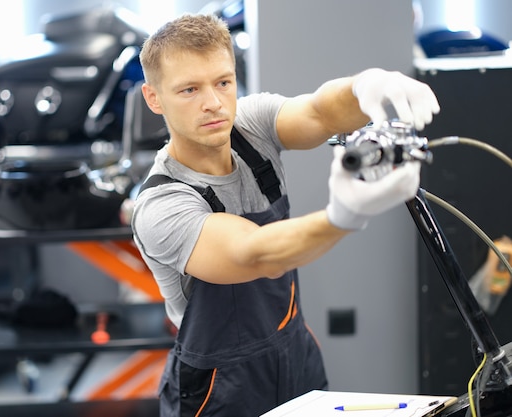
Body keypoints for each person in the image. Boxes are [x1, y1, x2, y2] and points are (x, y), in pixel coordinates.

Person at [131, 13, 440, 417]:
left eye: (223, 82)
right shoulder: (159, 204)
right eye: (189, 89)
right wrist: (342, 217)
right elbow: (255, 255)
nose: (213, 102)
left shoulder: (251, 125)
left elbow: (317, 112)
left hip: (295, 355)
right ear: (154, 98)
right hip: (218, 389)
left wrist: (366, 87)